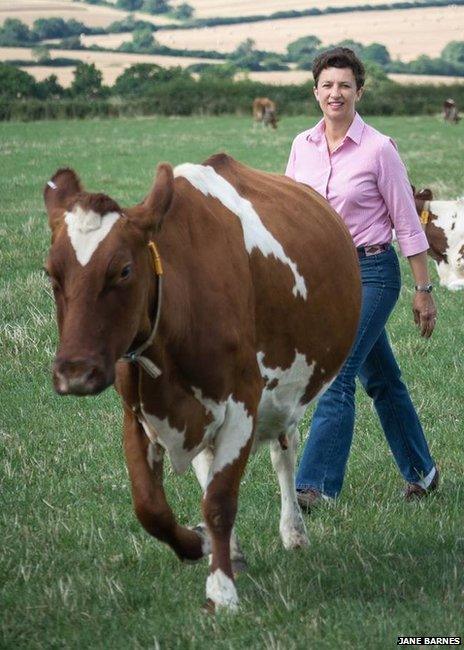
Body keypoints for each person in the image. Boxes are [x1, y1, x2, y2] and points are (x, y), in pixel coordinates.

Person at [285, 48, 439, 508]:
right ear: (316, 92)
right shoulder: (301, 146)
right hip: (322, 277)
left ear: (359, 91)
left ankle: (315, 487)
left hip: (372, 272)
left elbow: (408, 224)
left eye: (345, 85)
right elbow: (290, 215)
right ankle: (423, 473)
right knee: (383, 380)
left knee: (336, 373)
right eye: (328, 85)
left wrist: (423, 289)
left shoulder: (379, 148)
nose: (336, 93)